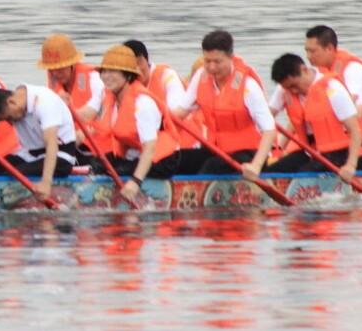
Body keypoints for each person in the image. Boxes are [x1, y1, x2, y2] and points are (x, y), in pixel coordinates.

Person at [171, 30, 277, 177]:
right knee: (177, 159)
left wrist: (256, 166)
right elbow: (180, 112)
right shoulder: (200, 77)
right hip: (216, 150)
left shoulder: (248, 86)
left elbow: (269, 130)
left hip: (248, 154)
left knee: (211, 167)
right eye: (207, 61)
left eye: (217, 62)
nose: (212, 68)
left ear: (231, 57)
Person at [93, 45, 184, 203]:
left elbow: (150, 148)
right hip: (137, 153)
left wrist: (135, 182)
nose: (107, 77)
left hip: (162, 159)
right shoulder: (110, 99)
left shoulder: (143, 103)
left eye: (113, 72)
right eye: (104, 71)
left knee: (120, 169)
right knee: (98, 163)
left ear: (128, 76)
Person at [267, 54, 362, 176]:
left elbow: (355, 130)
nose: (293, 91)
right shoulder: (283, 90)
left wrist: (351, 165)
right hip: (310, 150)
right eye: (288, 88)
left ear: (304, 70)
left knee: (303, 175)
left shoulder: (332, 88)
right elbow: (266, 117)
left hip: (338, 152)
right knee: (269, 173)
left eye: (294, 86)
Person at [0, 84, 78, 199]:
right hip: (30, 155)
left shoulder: (44, 102)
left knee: (14, 173)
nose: (9, 121)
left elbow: (51, 144)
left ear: (11, 102)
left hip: (60, 155)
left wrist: (46, 183)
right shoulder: (13, 104)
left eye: (8, 118)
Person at [303, 25, 362, 105]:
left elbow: (353, 102)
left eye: (313, 51)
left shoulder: (353, 69)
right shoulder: (317, 71)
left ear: (329, 48)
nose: (308, 56)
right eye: (307, 51)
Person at [38, 32, 105, 118]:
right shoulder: (52, 84)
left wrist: (61, 109)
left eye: (60, 68)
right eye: (51, 69)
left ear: (72, 64)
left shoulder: (95, 79)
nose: (55, 73)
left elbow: (94, 108)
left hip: (91, 129)